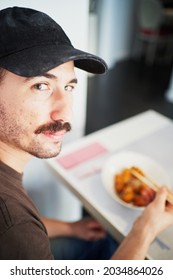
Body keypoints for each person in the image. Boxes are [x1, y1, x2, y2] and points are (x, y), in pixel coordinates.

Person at [0, 6, 173, 260]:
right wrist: (144, 229)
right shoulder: (16, 230)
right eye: (41, 85)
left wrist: (70, 227)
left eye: (68, 86)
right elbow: (19, 231)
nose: (66, 115)